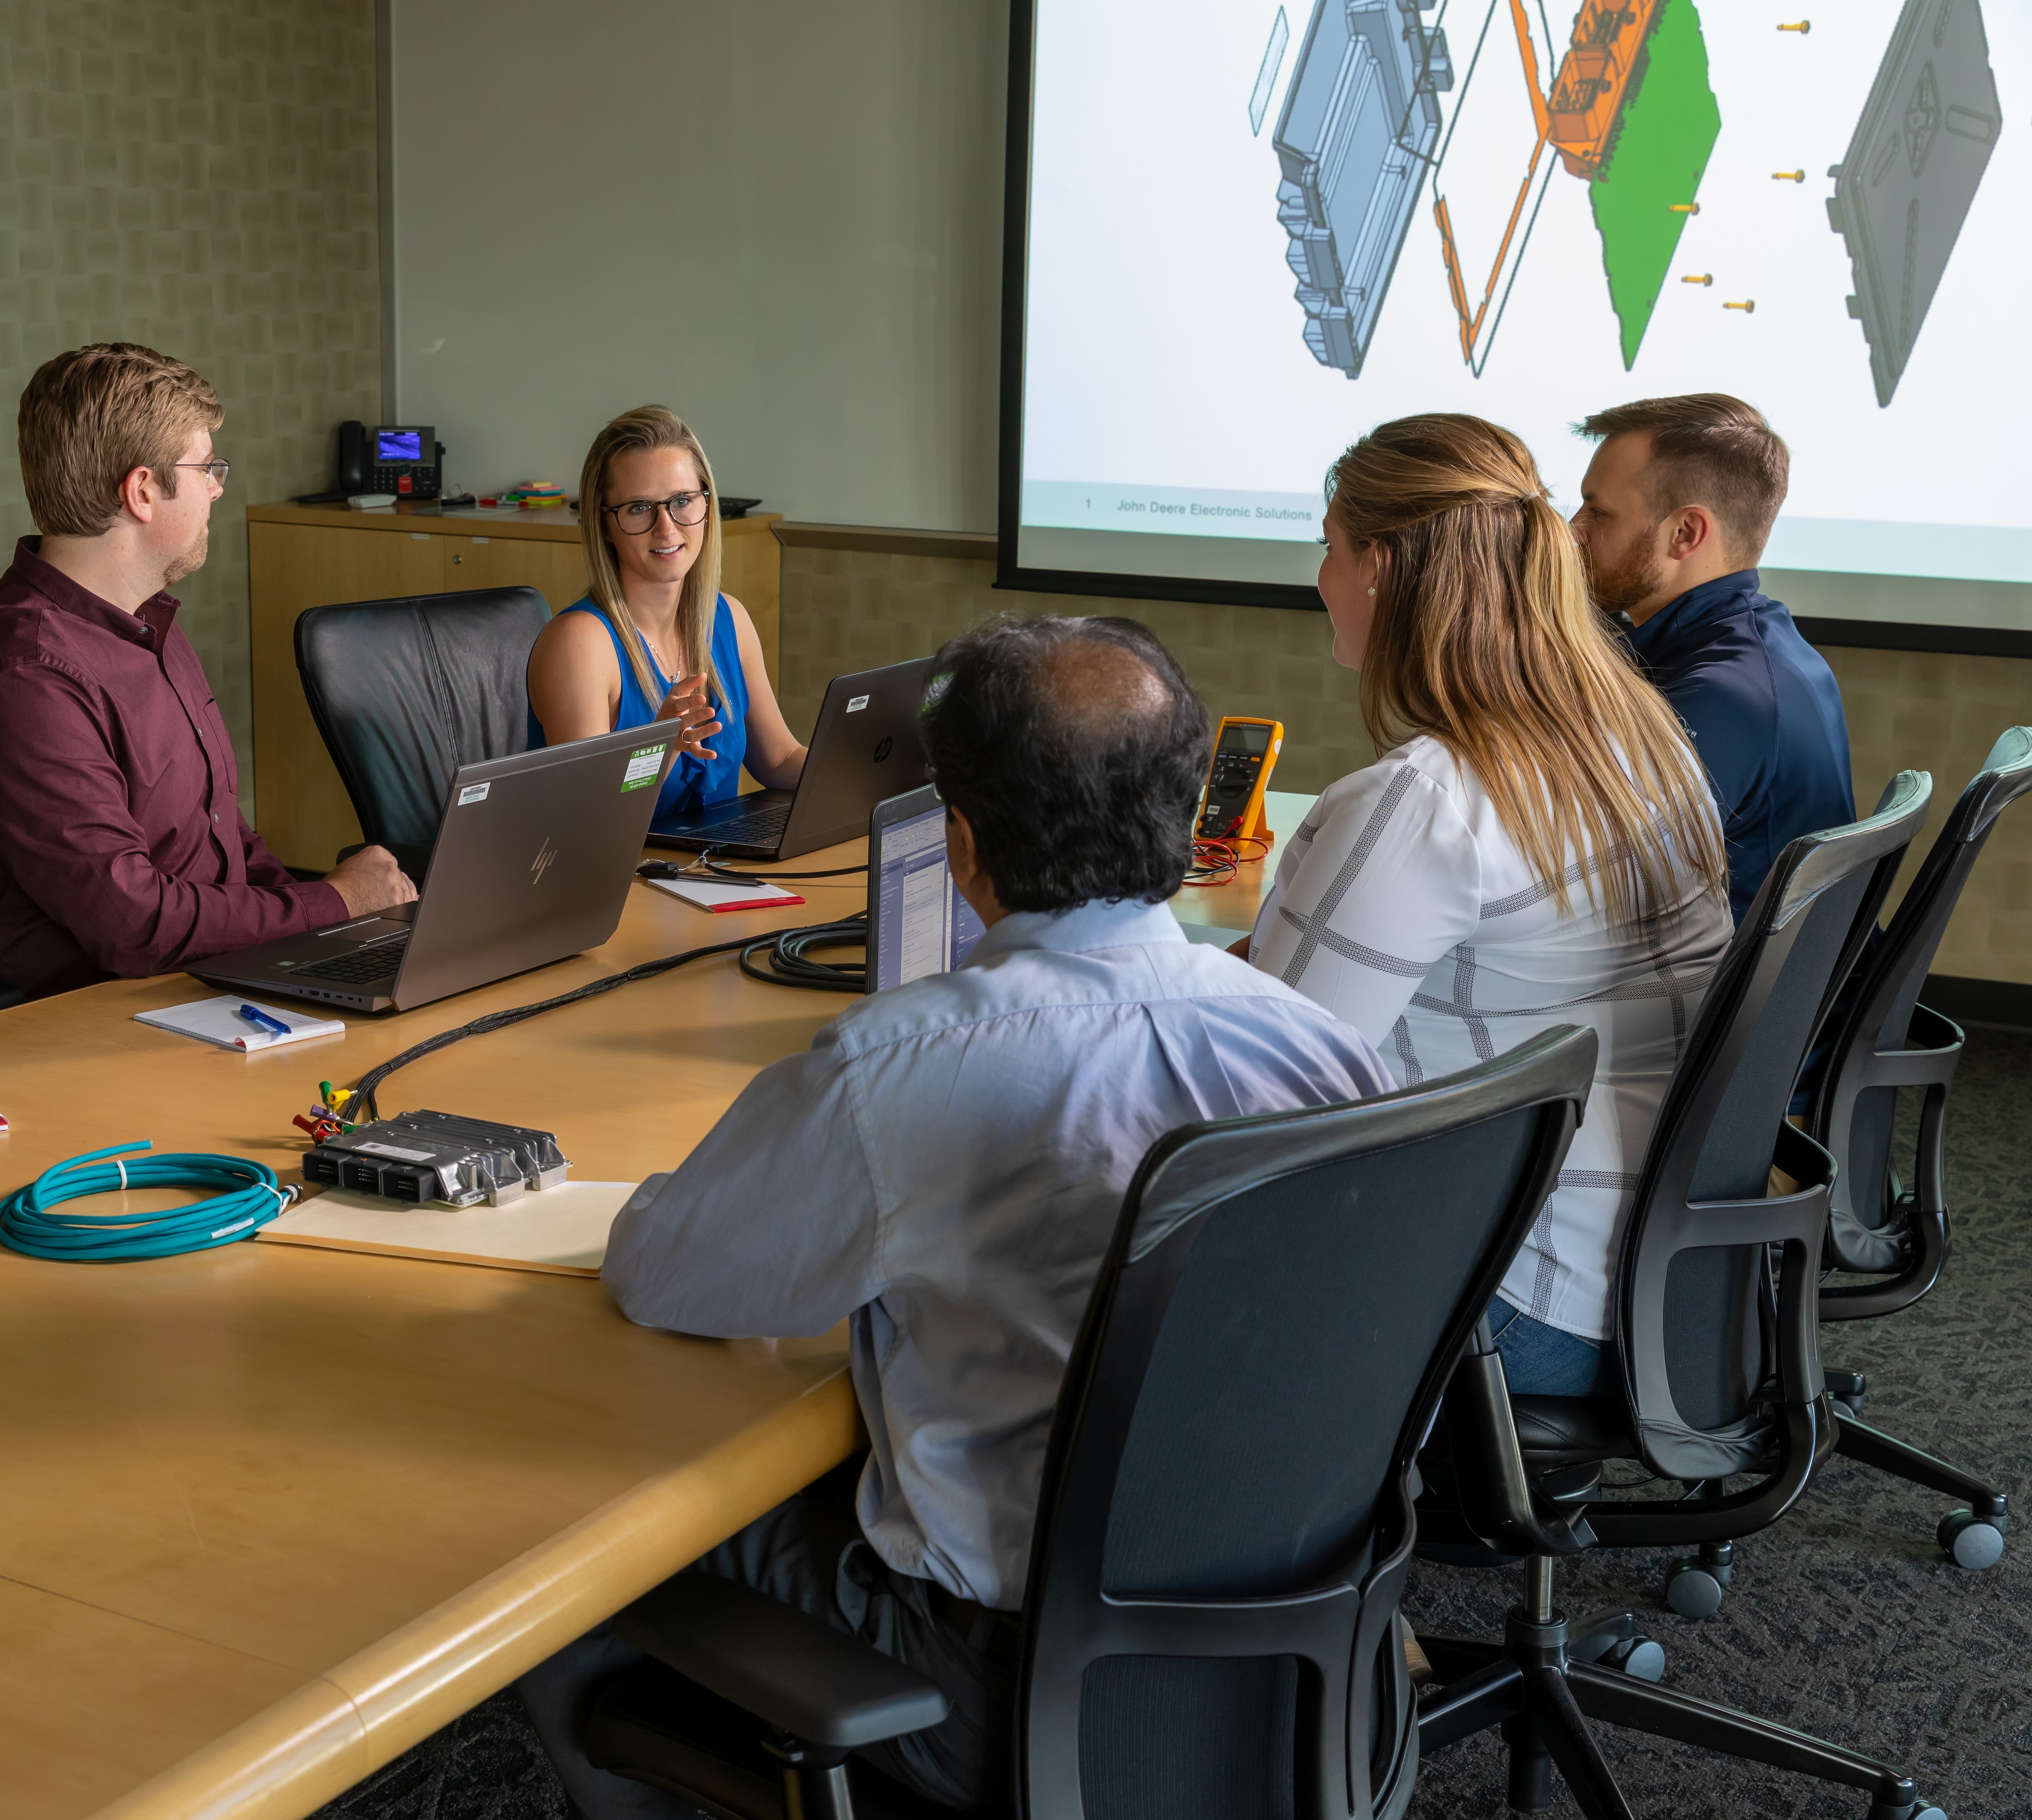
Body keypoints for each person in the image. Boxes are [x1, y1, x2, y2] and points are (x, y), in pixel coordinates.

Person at [521, 615, 1394, 1816]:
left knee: (578, 1526)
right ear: (1187, 813)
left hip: (1004, 1681)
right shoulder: (1317, 1042)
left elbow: (665, 1277)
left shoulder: (901, 1066)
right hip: (1294, 1654)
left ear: (963, 845)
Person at [1248, 413, 1733, 1397]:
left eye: (1330, 548)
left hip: (1521, 1300)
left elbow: (1266, 1100)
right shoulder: (1641, 737)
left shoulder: (1428, 802)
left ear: (1381, 565)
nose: (1319, 578)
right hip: (1662, 1270)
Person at [0, 342, 414, 995]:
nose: (216, 487)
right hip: (83, 1010)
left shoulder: (148, 622)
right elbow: (133, 923)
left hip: (199, 979)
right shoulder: (27, 677)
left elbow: (221, 836)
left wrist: (326, 917)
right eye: (208, 467)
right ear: (143, 490)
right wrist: (335, 904)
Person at [1572, 393, 1853, 923]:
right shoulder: (1752, 642)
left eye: (1597, 511)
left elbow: (1568, 874)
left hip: (1729, 1002)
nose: (1572, 530)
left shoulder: (1721, 695)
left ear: (1684, 534)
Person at [526, 405, 805, 821]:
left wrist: (867, 773)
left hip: (714, 872)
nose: (667, 527)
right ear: (604, 524)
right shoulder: (580, 643)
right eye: (639, 508)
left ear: (707, 505)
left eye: (682, 501)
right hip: (621, 880)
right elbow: (588, 818)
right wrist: (660, 748)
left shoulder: (730, 618)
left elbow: (780, 759)